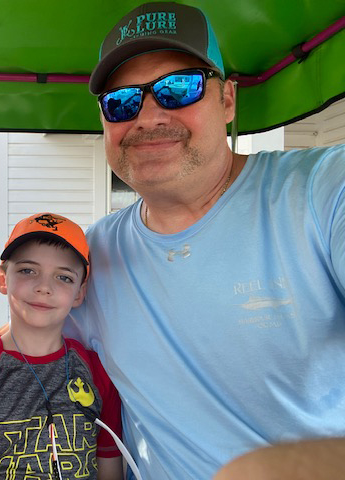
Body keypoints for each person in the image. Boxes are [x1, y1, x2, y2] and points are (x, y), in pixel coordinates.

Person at [64, 2, 345, 479]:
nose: (148, 116)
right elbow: (24, 342)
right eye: (121, 101)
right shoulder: (92, 255)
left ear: (227, 100)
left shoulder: (322, 191)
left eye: (178, 88)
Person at [0, 213, 123, 479]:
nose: (44, 286)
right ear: (1, 278)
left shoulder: (97, 371)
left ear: (80, 292)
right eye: (27, 270)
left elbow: (110, 470)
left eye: (64, 277)